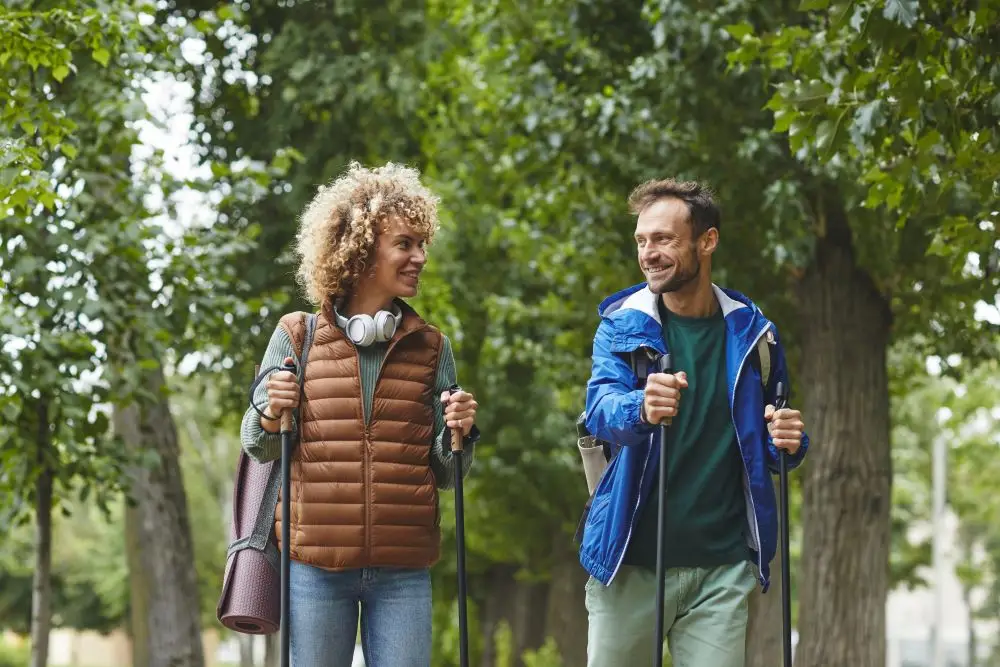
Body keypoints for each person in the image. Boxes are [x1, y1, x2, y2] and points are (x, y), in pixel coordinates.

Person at [240, 161, 481, 667]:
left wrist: (459, 433)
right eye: (406, 244)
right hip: (314, 567)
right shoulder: (297, 336)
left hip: (404, 572)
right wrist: (268, 412)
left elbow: (447, 474)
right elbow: (257, 445)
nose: (419, 256)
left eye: (422, 245)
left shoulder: (433, 347)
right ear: (362, 248)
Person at [577, 178, 809, 667]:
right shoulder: (622, 326)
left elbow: (765, 441)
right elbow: (599, 410)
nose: (649, 253)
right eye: (642, 240)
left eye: (663, 239)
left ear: (707, 241)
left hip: (721, 569)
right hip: (632, 560)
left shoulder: (755, 334)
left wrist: (788, 440)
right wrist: (639, 407)